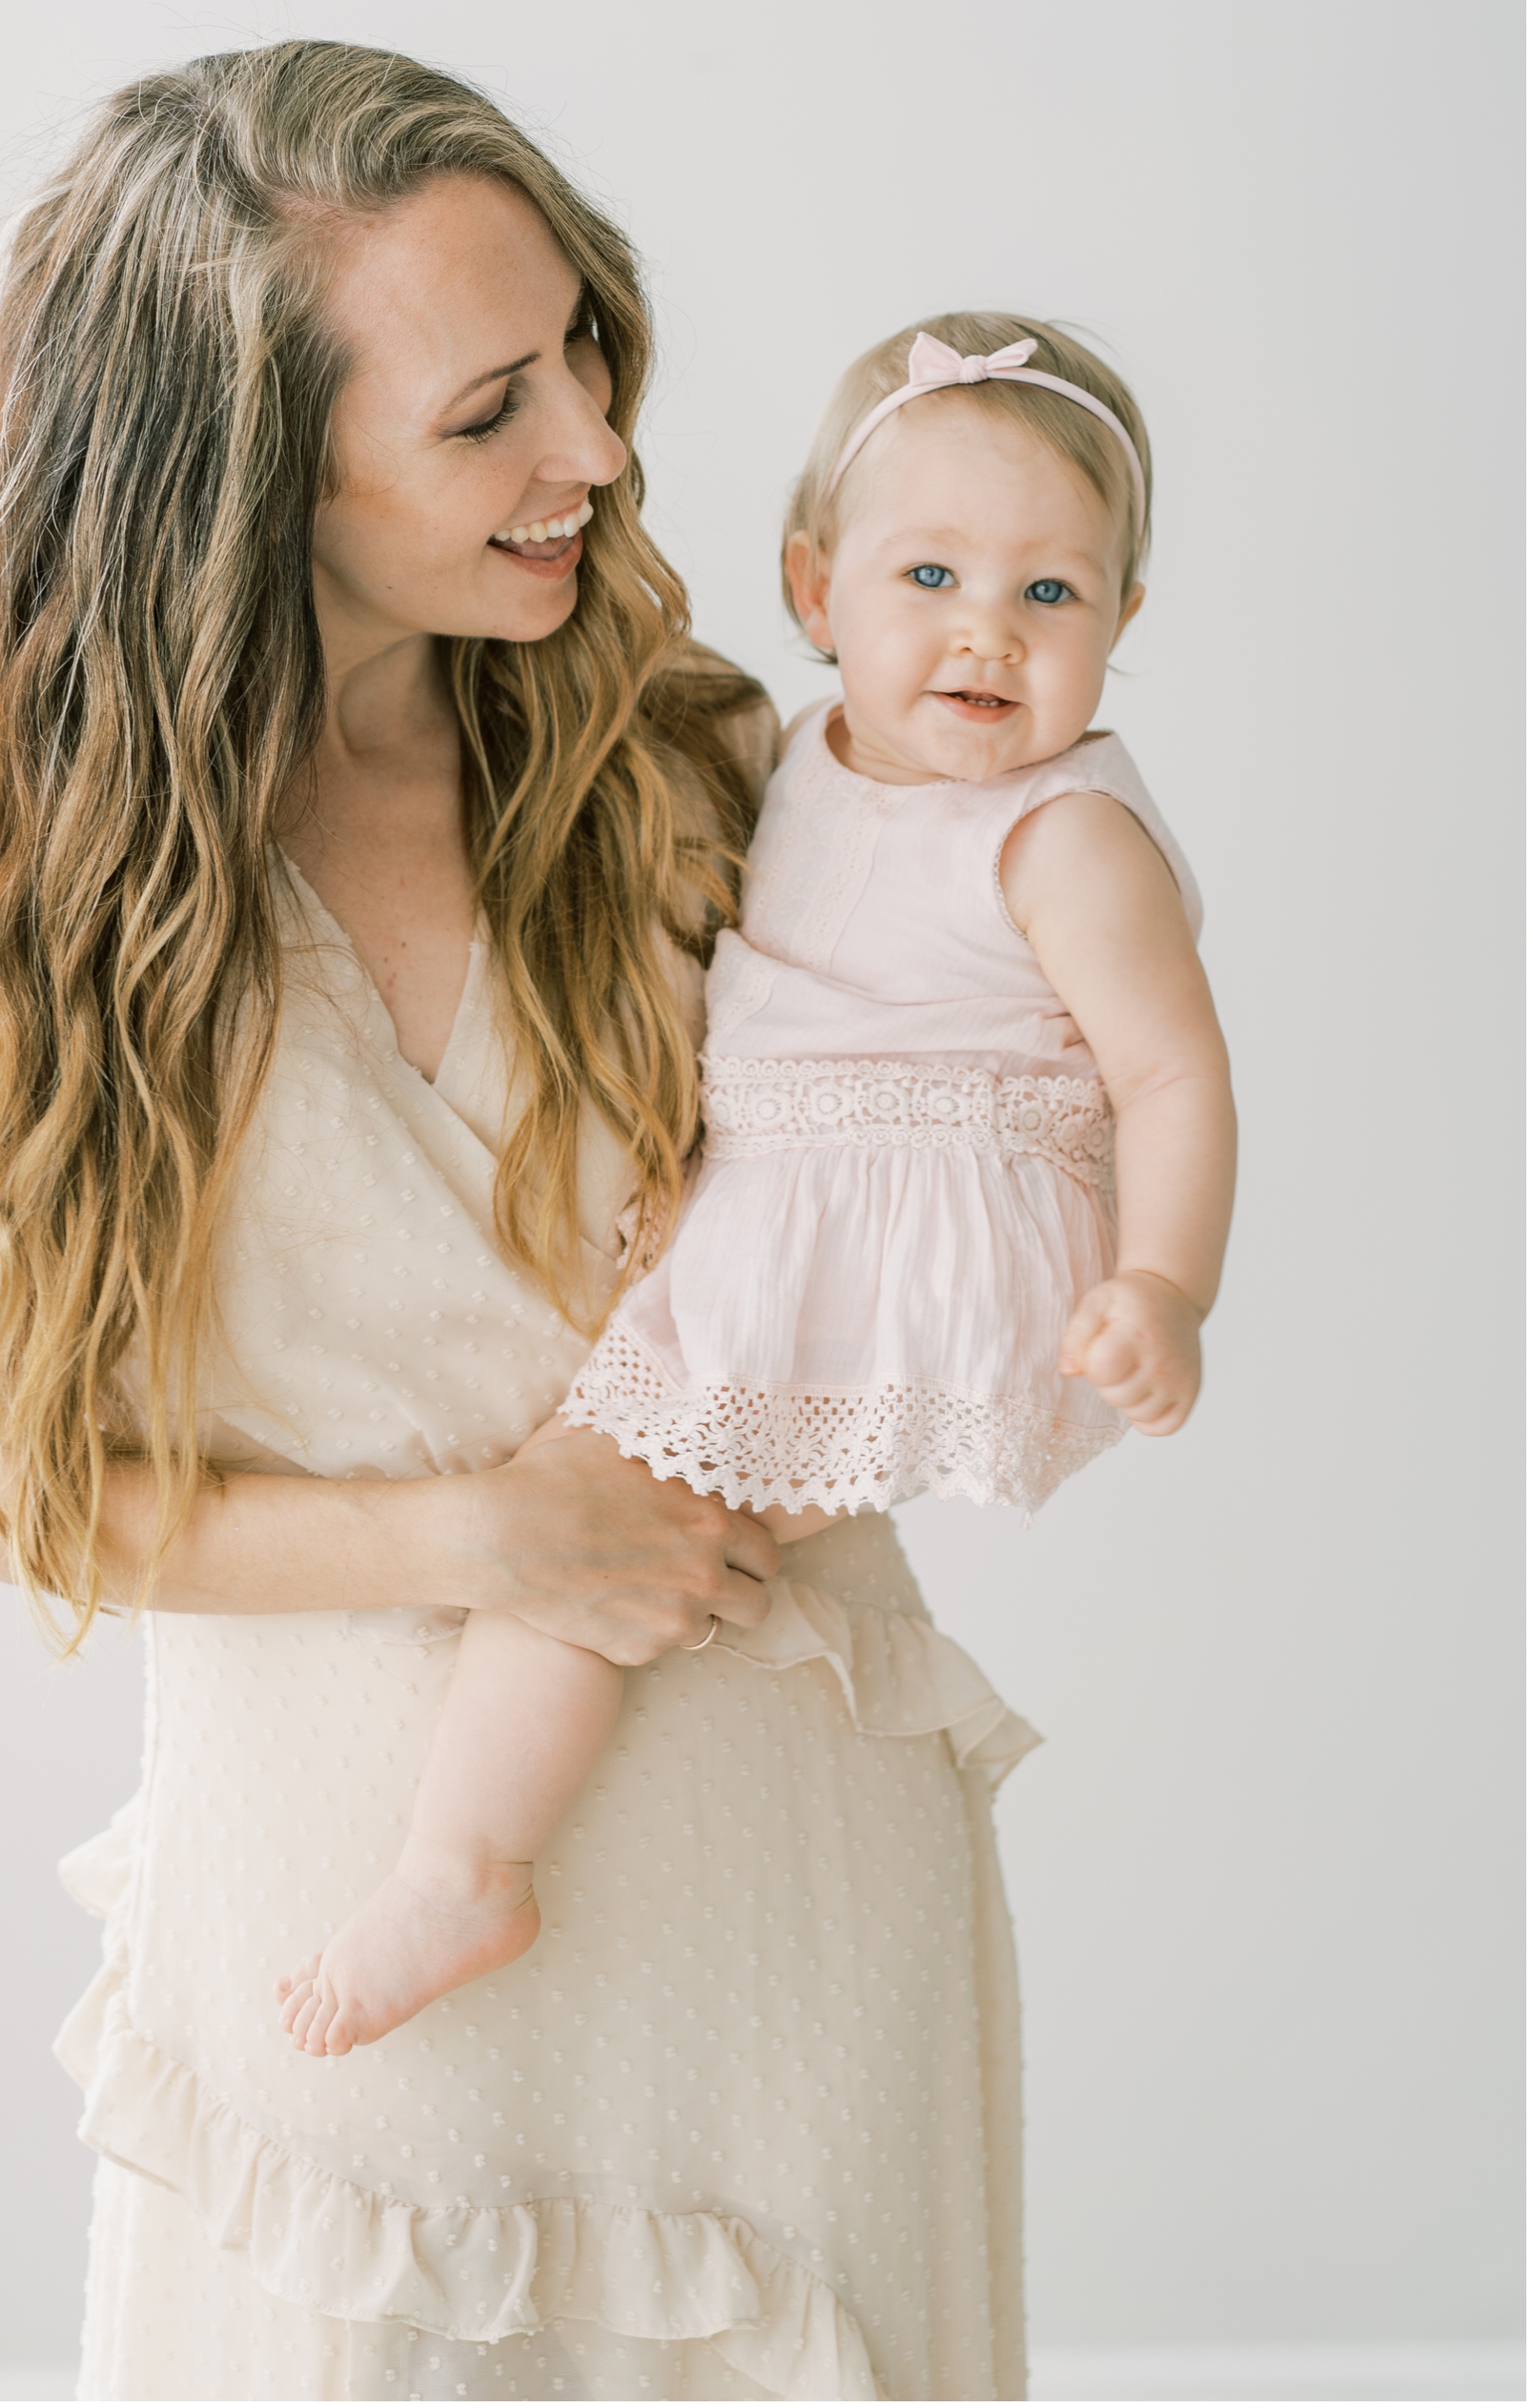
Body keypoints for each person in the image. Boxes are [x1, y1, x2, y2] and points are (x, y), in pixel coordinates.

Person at [0, 49, 1037, 2400]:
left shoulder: (710, 770)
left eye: (588, 354)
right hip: (342, 1947)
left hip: (789, 1920)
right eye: (486, 410)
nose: (601, 453)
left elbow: (981, 1180)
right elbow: (13, 1502)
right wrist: (482, 1532)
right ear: (240, 477)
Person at [281, 315, 1237, 2069]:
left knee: (602, 1512)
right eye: (931, 574)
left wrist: (1166, 1284)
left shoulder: (1063, 832)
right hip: (786, 1212)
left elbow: (1172, 1072)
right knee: (645, 1518)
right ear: (815, 588)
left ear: (1122, 626)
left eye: (1053, 597)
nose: (986, 634)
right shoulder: (791, 751)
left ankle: (462, 1865)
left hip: (917, 1232)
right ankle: (475, 1846)